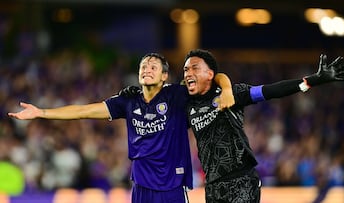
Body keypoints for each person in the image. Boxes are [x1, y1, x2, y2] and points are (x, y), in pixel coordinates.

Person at [8, 52, 235, 203]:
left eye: (153, 66)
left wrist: (226, 91)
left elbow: (216, 77)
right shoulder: (126, 101)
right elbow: (83, 111)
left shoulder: (177, 94)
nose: (147, 69)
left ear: (165, 75)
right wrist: (42, 113)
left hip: (172, 187)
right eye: (143, 66)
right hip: (141, 186)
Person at [182, 49, 344, 203]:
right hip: (212, 186)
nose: (188, 73)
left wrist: (312, 80)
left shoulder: (233, 94)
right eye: (186, 70)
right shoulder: (187, 107)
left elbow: (270, 91)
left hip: (242, 181)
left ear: (210, 73)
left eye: (194, 68)